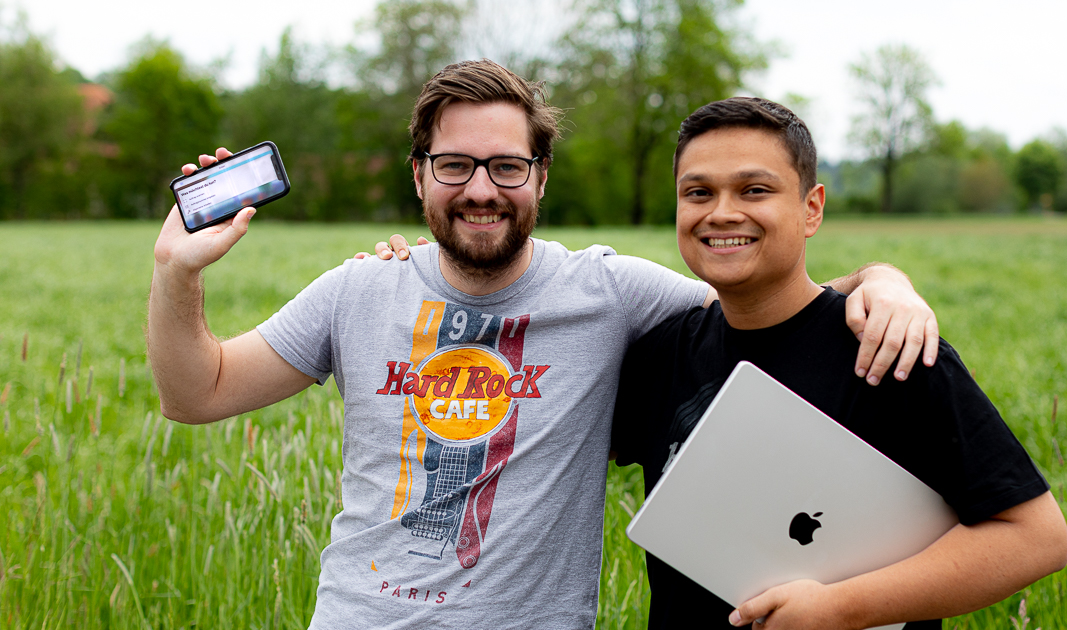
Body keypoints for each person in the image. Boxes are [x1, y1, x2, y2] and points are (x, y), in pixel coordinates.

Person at [148, 60, 939, 628]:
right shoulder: (357, 291)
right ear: (419, 175)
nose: (482, 189)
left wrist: (884, 278)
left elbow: (774, 306)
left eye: (506, 166)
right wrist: (175, 271)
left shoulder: (609, 291)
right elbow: (198, 394)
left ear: (541, 177)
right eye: (455, 165)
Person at [610, 97, 1067, 630]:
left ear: (811, 209)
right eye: (698, 193)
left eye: (754, 189)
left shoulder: (891, 350)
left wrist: (841, 609)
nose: (722, 212)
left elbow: (1036, 538)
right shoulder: (658, 356)